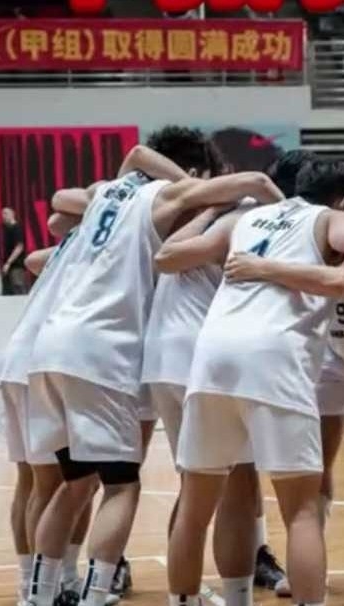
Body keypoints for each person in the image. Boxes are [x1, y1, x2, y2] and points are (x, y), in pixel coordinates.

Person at [155, 160, 344, 606]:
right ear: (343, 201)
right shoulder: (327, 219)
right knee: (301, 510)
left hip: (211, 359)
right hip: (276, 357)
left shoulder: (245, 219)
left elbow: (167, 256)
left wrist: (209, 208)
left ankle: (185, 600)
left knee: (195, 507)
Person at [24, 146, 281, 606]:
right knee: (123, 484)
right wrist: (202, 193)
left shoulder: (103, 196)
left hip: (50, 343)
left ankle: (36, 595)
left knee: (75, 482)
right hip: (103, 347)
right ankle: (96, 594)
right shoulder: (169, 198)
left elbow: (58, 217)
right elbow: (255, 183)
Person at [139, 129, 284, 603]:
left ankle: (185, 594)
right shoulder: (243, 212)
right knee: (234, 485)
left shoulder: (165, 211)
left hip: (160, 356)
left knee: (195, 486)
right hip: (199, 355)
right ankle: (235, 592)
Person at [0, 210, 91, 606]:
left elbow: (36, 257)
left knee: (31, 481)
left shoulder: (73, 246)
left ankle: (29, 585)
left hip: (14, 359)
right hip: (42, 363)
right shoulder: (103, 252)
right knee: (72, 481)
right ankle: (58, 583)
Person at [1, 207, 28, 295]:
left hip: (17, 266)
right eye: (2, 214)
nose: (3, 216)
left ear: (12, 214)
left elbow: (19, 247)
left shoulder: (16, 228)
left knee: (19, 289)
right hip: (11, 267)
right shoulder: (7, 229)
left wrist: (8, 262)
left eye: (6, 213)